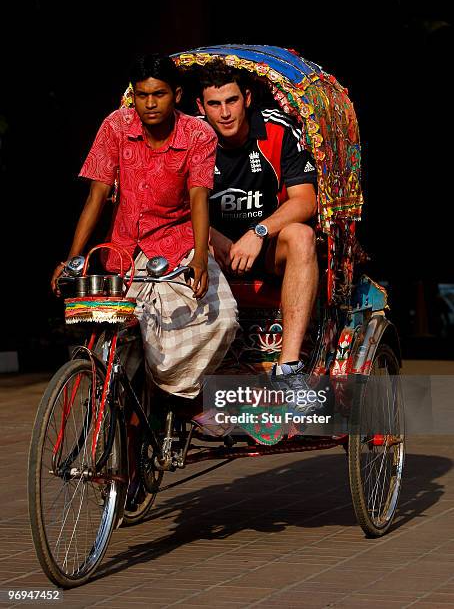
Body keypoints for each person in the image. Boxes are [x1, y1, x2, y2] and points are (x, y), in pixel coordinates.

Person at [51, 54, 238, 398]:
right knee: (115, 345)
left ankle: (169, 391)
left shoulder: (198, 134)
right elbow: (97, 196)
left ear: (177, 94)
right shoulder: (115, 126)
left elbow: (199, 198)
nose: (150, 104)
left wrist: (199, 257)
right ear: (133, 95)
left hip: (177, 245)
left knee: (223, 318)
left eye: (159, 94)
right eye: (142, 95)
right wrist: (72, 259)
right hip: (122, 251)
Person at [196, 59, 318, 396]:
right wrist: (210, 236)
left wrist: (258, 232)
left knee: (302, 235)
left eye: (232, 101)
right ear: (200, 106)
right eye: (214, 104)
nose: (224, 113)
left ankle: (289, 367)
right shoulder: (189, 136)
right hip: (205, 249)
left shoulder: (278, 130)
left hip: (265, 247)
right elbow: (168, 205)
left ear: (247, 98)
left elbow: (306, 201)